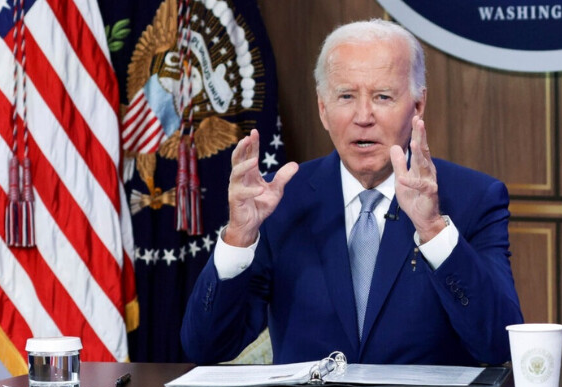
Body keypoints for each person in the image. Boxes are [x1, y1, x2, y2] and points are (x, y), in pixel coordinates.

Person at [181, 19, 523, 366]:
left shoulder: (474, 199)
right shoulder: (276, 201)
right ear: (323, 109)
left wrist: (433, 229)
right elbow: (207, 348)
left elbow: (499, 345)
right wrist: (238, 237)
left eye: (382, 97)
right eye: (346, 96)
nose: (363, 117)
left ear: (418, 106)